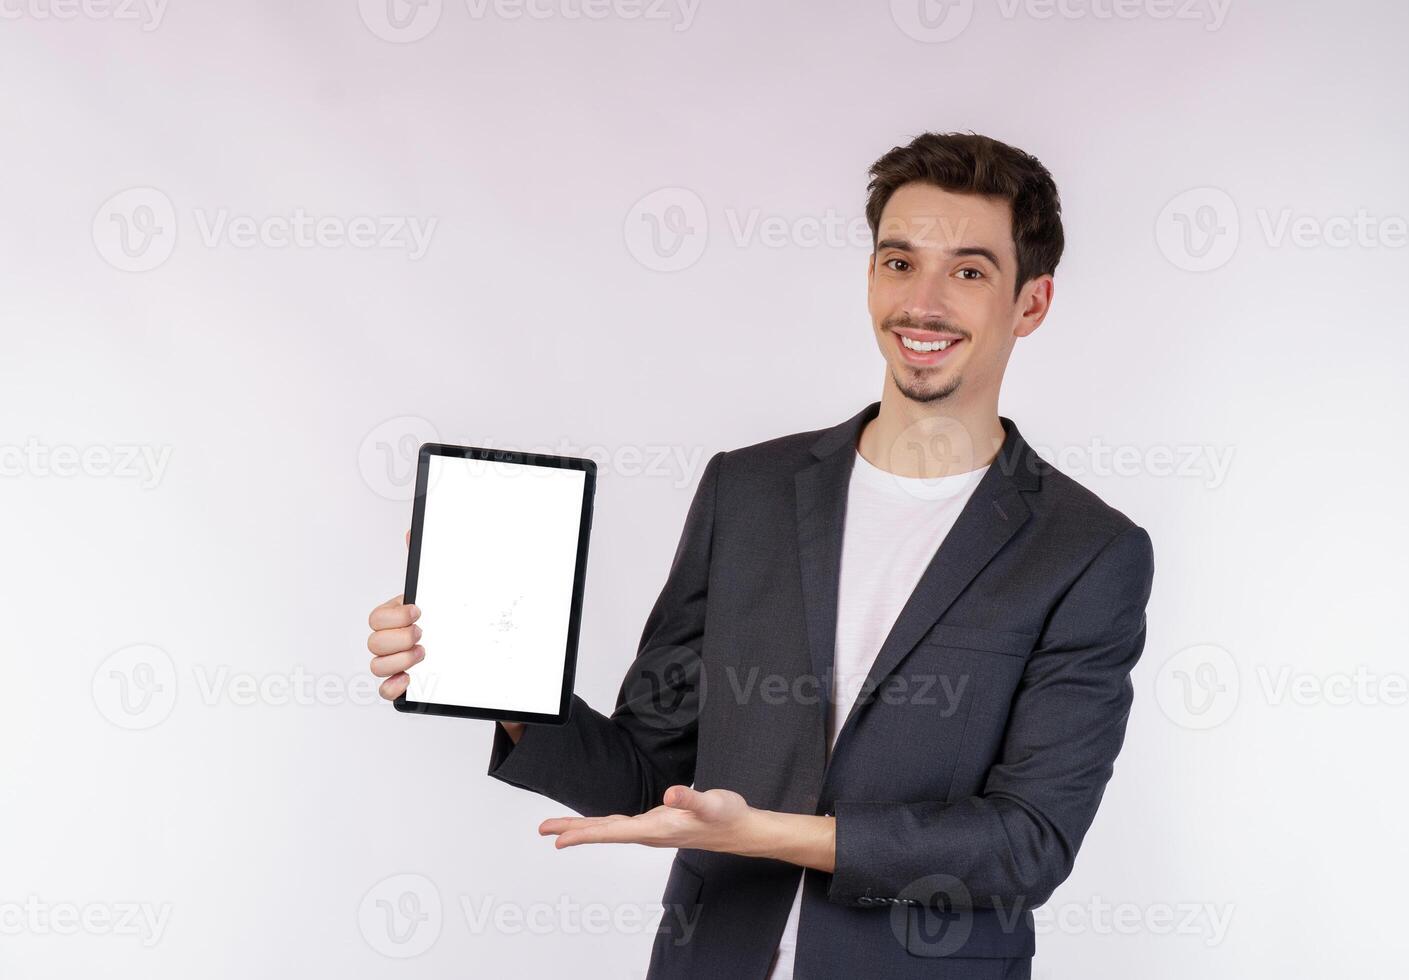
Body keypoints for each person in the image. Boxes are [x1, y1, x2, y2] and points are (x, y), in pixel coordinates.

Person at [366, 131, 1155, 980]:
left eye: (968, 272)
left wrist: (765, 834)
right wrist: (500, 680)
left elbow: (1027, 845)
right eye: (898, 263)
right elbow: (650, 771)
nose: (922, 303)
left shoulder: (1086, 551)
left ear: (1030, 303)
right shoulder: (748, 491)